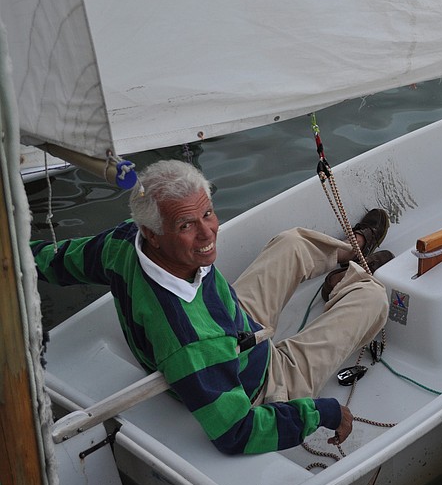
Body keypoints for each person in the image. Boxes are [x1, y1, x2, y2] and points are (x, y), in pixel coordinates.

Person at [31, 160, 392, 454]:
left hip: (234, 325)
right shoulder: (190, 341)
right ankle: (349, 278)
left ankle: (350, 252)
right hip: (258, 381)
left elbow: (56, 260)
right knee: (374, 298)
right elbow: (238, 433)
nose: (208, 233)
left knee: (293, 243)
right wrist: (325, 411)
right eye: (187, 224)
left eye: (208, 214)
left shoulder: (125, 241)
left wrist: (15, 252)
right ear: (154, 234)